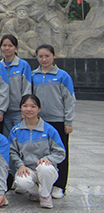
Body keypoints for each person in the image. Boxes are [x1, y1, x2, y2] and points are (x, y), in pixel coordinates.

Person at [31, 44, 75, 200]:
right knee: (41, 152)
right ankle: (42, 183)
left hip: (58, 120)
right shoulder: (33, 75)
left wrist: (68, 121)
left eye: (47, 56)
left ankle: (60, 186)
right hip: (40, 121)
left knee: (61, 152)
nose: (44, 59)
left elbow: (69, 99)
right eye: (41, 56)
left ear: (54, 56)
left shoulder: (62, 76)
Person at [10, 94, 66, 209]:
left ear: (39, 109)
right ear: (21, 108)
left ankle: (45, 196)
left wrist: (48, 159)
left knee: (44, 168)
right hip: (28, 169)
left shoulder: (49, 129)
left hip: (46, 169)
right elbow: (12, 152)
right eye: (25, 106)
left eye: (33, 106)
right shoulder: (16, 130)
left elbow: (60, 152)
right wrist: (20, 165)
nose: (29, 109)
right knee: (21, 182)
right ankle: (35, 192)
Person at [0, 34, 32, 136]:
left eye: (10, 45)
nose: (7, 48)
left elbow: (27, 89)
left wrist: (25, 110)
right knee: (6, 140)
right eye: (4, 45)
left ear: (16, 47)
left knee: (21, 138)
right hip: (4, 113)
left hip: (19, 112)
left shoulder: (23, 65)